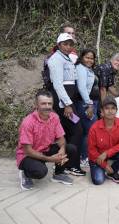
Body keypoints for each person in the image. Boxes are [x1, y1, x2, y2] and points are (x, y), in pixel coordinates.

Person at [16, 90, 78, 190]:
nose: (47, 106)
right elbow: (27, 150)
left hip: (44, 150)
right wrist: (50, 159)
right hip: (27, 155)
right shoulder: (28, 122)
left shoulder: (55, 117)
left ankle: (58, 174)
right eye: (43, 103)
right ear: (36, 104)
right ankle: (25, 173)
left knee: (70, 148)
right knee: (41, 172)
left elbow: (61, 137)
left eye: (49, 103)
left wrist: (62, 150)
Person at [48, 33, 85, 176]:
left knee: (69, 132)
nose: (68, 47)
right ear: (59, 45)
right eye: (65, 44)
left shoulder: (66, 58)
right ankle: (70, 164)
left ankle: (64, 164)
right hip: (63, 102)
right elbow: (57, 84)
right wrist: (67, 105)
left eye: (71, 44)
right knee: (77, 130)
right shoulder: (56, 59)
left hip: (68, 100)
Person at [88, 96, 119, 184]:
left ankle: (113, 171)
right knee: (98, 180)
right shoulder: (94, 128)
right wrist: (104, 165)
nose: (110, 111)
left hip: (111, 154)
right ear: (102, 112)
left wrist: (107, 153)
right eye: (107, 108)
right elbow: (92, 151)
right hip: (97, 157)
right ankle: (102, 168)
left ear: (116, 110)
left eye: (113, 108)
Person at [75, 49, 99, 167]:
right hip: (85, 104)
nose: (90, 60)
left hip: (90, 103)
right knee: (88, 131)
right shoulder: (80, 68)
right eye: (87, 57)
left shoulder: (87, 69)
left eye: (92, 58)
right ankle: (83, 157)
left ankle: (84, 155)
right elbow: (82, 88)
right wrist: (89, 104)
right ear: (82, 57)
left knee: (88, 131)